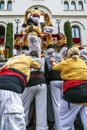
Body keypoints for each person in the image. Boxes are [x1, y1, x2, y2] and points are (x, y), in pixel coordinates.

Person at [0, 53, 41, 130]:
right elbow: (38, 66)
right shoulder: (27, 58)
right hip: (11, 89)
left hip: (4, 83)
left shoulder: (10, 59)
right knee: (15, 124)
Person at [51, 47, 87, 130]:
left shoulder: (66, 62)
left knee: (64, 120)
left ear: (68, 54)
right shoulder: (82, 62)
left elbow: (55, 67)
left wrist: (53, 61)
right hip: (86, 91)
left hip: (73, 93)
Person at [22, 50, 48, 130]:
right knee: (41, 107)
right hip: (42, 83)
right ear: (37, 55)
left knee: (24, 106)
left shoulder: (27, 59)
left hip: (30, 83)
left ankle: (22, 124)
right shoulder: (42, 60)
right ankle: (41, 127)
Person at [45, 44, 63, 130]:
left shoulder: (47, 58)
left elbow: (49, 69)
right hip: (63, 80)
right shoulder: (60, 57)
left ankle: (58, 126)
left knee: (56, 105)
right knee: (63, 103)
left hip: (53, 81)